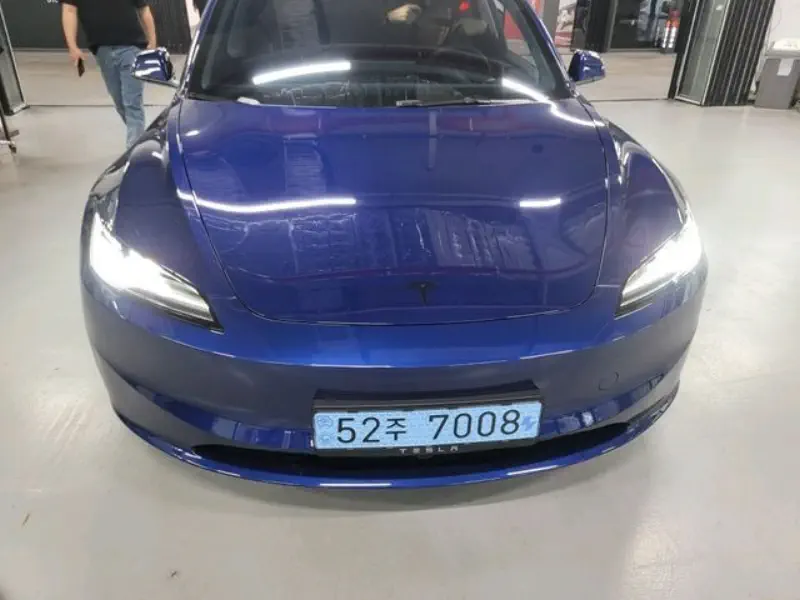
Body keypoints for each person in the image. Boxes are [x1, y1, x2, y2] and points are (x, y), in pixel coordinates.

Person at [60, 0, 157, 148]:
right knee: (120, 103)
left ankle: (133, 150)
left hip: (131, 47)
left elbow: (144, 9)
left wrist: (152, 41)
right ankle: (140, 138)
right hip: (102, 51)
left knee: (131, 103)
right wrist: (72, 46)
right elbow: (69, 10)